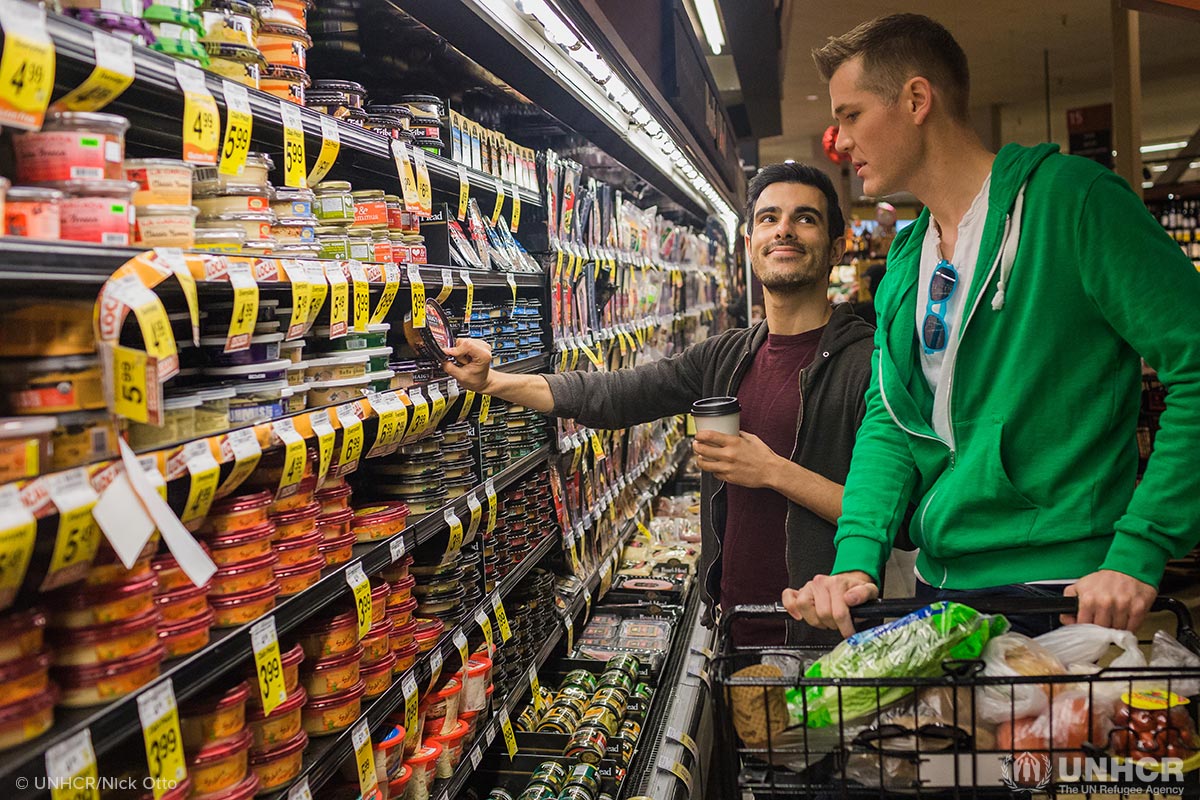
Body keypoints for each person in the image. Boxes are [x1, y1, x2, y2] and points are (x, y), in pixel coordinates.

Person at [786, 13, 1200, 637]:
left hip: (1067, 591)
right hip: (939, 587)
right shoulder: (905, 260)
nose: (838, 141)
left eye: (850, 114)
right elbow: (891, 422)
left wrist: (1142, 547)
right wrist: (856, 557)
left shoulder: (1073, 203)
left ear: (916, 100)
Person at [444, 163, 876, 646]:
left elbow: (892, 517)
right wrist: (493, 380)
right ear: (751, 242)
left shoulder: (868, 363)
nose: (784, 230)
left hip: (827, 648)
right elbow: (615, 394)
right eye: (768, 217)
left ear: (837, 248)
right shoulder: (727, 356)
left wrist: (772, 471)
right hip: (735, 637)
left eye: (806, 219)